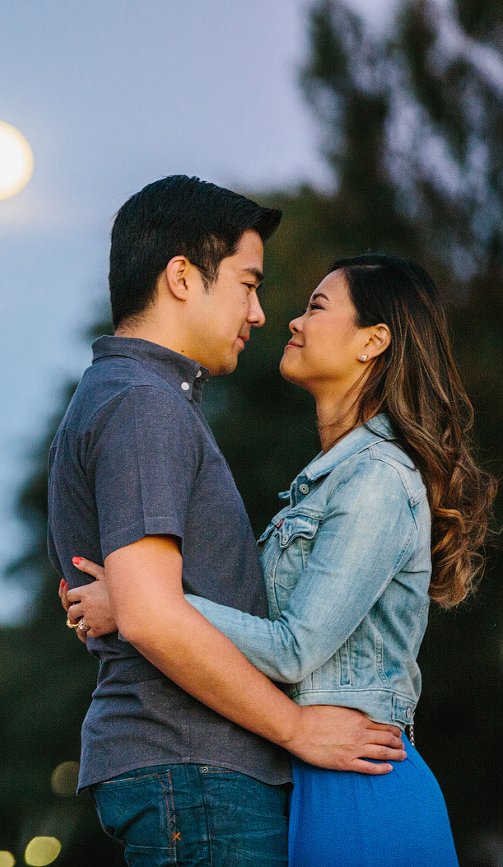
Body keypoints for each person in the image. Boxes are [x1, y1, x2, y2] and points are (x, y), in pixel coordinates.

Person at [64, 253, 495, 865]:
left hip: (359, 785)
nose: (291, 322)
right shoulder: (326, 482)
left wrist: (145, 602)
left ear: (374, 341)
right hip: (318, 771)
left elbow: (295, 649)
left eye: (317, 308)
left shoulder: (375, 479)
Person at [46, 175, 408, 867]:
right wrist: (295, 726)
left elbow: (143, 605)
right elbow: (151, 616)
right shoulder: (141, 404)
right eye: (247, 283)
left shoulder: (135, 399)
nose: (260, 311)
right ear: (181, 276)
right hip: (196, 769)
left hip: (195, 770)